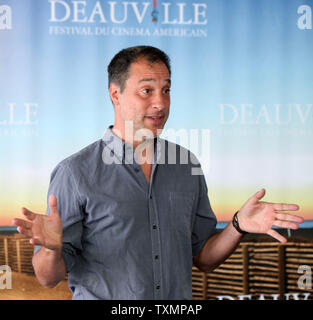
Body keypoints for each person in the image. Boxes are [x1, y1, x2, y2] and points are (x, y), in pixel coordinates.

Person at [12, 45, 303, 300]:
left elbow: (203, 258)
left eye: (166, 90)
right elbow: (47, 278)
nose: (160, 103)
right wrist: (51, 249)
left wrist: (237, 225)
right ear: (115, 94)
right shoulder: (75, 173)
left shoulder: (186, 164)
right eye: (146, 90)